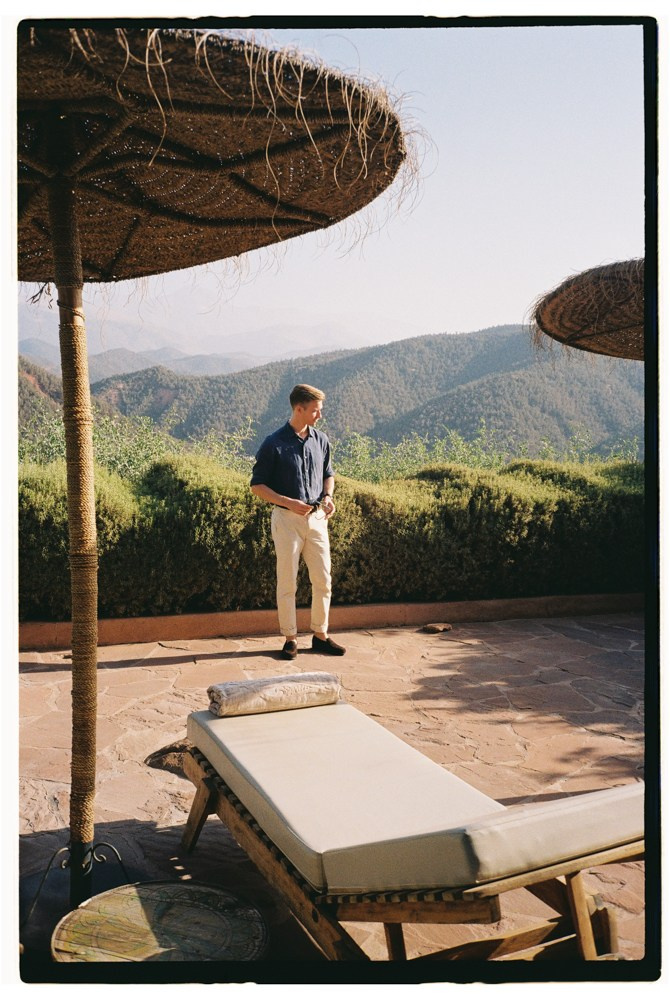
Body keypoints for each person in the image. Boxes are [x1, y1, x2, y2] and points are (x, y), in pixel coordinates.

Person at [250, 384, 346, 660]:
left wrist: (328, 496)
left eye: (320, 410)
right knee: (288, 581)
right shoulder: (273, 443)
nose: (319, 415)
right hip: (287, 520)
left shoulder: (321, 440)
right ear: (299, 409)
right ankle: (290, 638)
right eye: (315, 410)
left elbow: (329, 474)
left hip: (317, 519)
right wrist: (288, 502)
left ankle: (320, 635)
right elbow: (257, 485)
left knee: (323, 579)